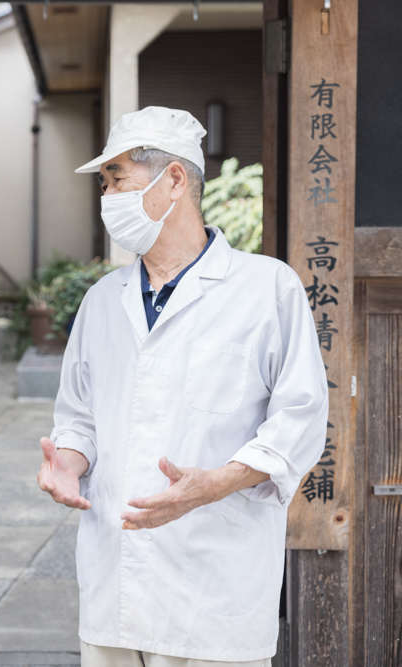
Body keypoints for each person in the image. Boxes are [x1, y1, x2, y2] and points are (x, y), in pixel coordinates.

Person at [37, 107, 327, 666]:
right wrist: (68, 462)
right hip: (114, 592)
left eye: (118, 178)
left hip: (213, 593)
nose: (107, 196)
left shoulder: (267, 288)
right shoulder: (103, 301)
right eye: (104, 183)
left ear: (174, 181)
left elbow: (300, 421)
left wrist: (215, 483)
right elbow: (78, 419)